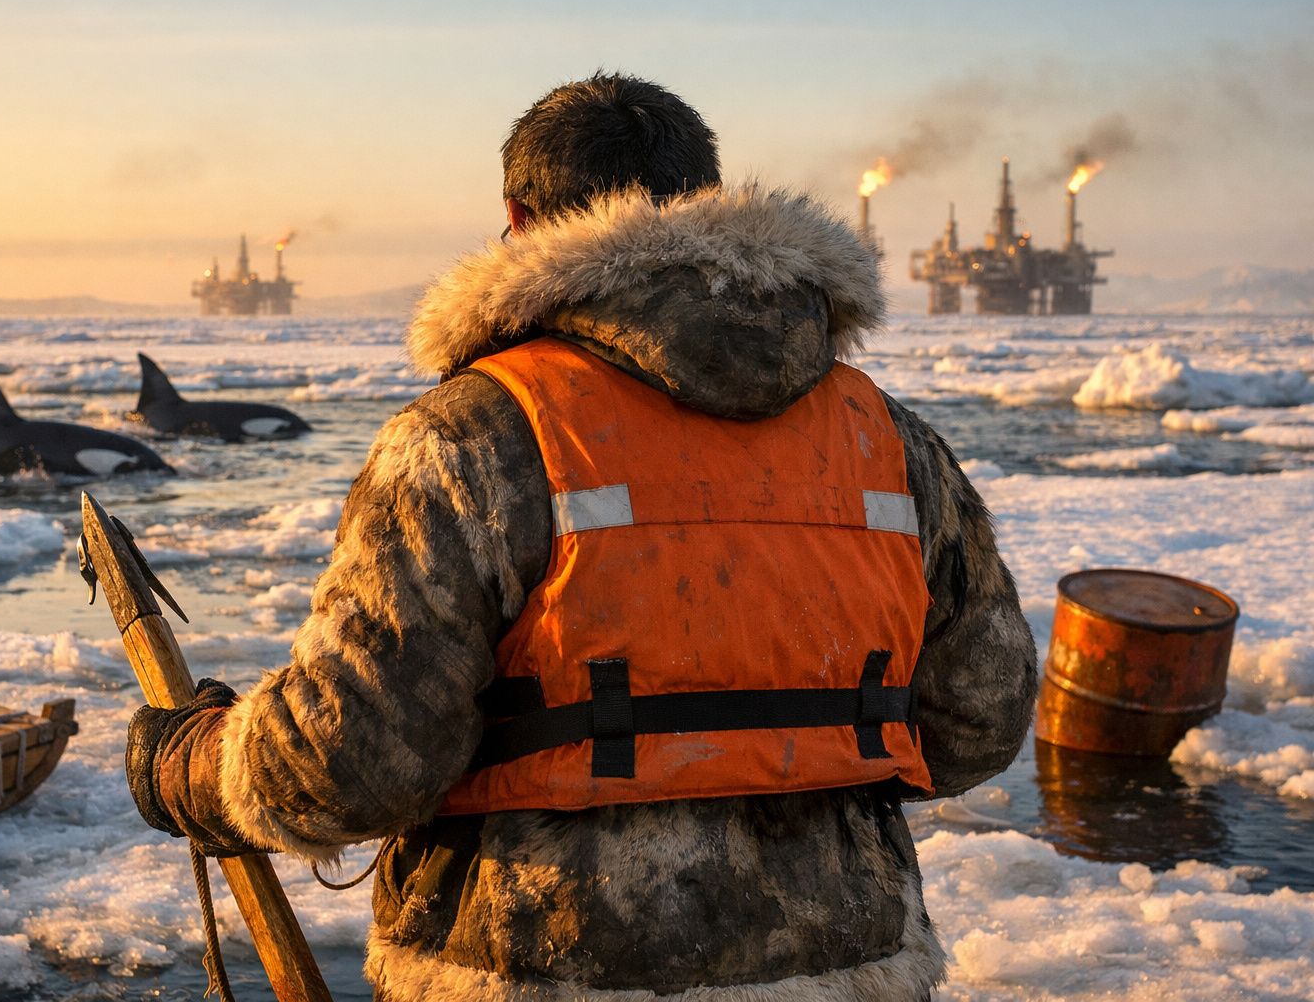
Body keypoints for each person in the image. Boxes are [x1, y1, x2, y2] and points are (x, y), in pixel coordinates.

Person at [127, 72, 1037, 1002]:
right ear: (708, 200)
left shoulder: (476, 435)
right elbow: (980, 719)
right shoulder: (891, 442)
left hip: (543, 968)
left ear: (519, 220)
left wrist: (190, 765)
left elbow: (355, 762)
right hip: (850, 965)